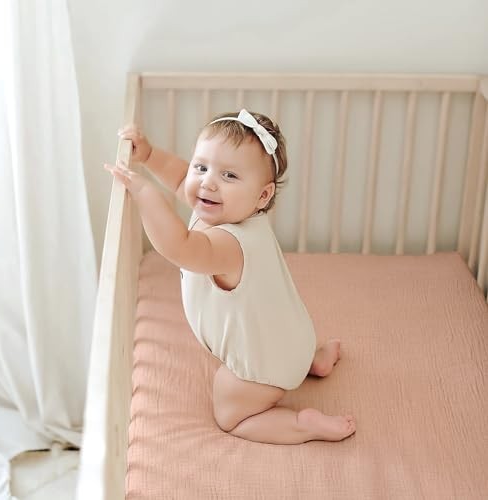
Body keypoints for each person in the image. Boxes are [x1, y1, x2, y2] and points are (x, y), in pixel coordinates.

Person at [104, 109, 356, 444]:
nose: (207, 182)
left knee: (229, 416)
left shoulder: (228, 245)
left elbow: (179, 246)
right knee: (275, 334)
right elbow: (181, 180)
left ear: (262, 195)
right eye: (201, 167)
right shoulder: (238, 213)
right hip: (295, 339)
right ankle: (315, 360)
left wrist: (145, 194)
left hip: (263, 370)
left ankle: (302, 424)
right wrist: (149, 156)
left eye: (229, 176)